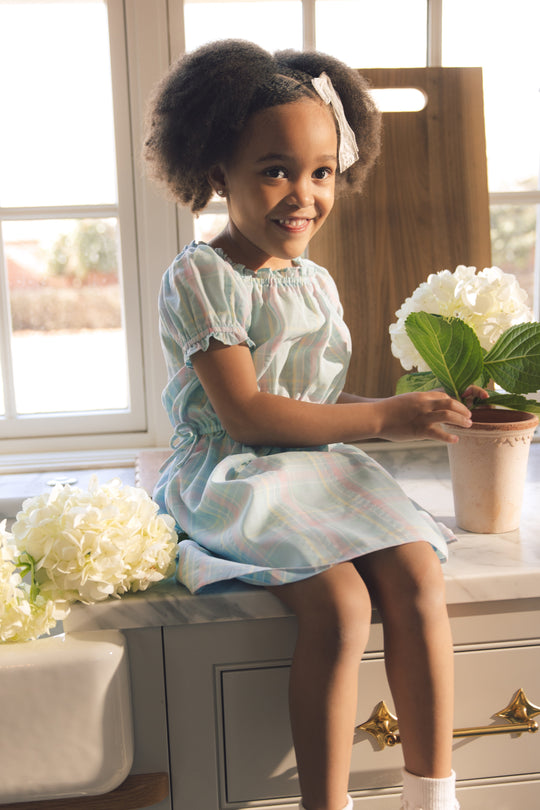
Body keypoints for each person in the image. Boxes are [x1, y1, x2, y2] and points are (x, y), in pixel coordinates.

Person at [144, 39, 485, 810]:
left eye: (321, 172)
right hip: (238, 470)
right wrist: (384, 416)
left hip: (315, 465)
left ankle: (433, 793)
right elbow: (250, 412)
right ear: (214, 169)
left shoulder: (316, 280)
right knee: (338, 605)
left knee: (418, 575)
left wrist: (406, 404)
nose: (303, 194)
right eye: (275, 170)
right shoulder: (201, 275)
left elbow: (314, 394)